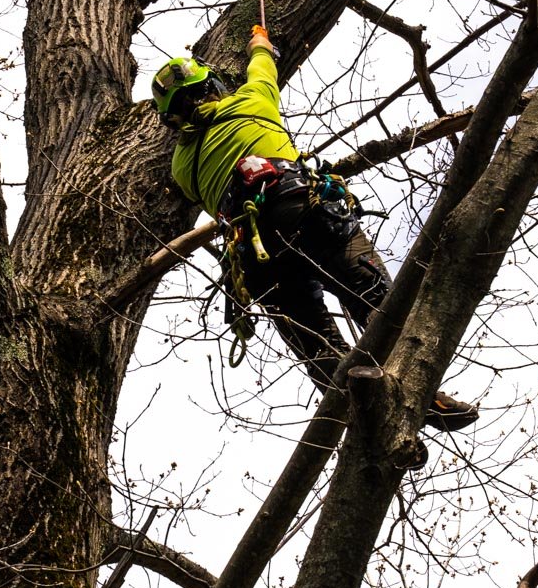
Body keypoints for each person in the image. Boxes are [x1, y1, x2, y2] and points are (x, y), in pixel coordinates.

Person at [152, 25, 479, 432]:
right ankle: (420, 393)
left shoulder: (181, 168)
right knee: (379, 301)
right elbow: (263, 66)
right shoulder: (252, 100)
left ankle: (365, 419)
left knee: (317, 345)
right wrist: (259, 42)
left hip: (256, 256)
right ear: (212, 86)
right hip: (303, 211)